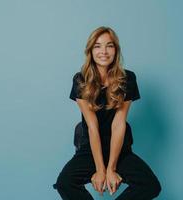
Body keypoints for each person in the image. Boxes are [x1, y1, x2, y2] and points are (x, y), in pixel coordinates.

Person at [53, 26, 161, 200]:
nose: (103, 51)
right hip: (90, 148)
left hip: (119, 149)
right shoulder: (80, 80)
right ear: (90, 51)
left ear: (116, 51)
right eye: (97, 46)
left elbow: (119, 124)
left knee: (150, 185)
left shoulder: (127, 79)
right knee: (65, 183)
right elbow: (92, 127)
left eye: (109, 46)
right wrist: (100, 170)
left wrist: (111, 168)